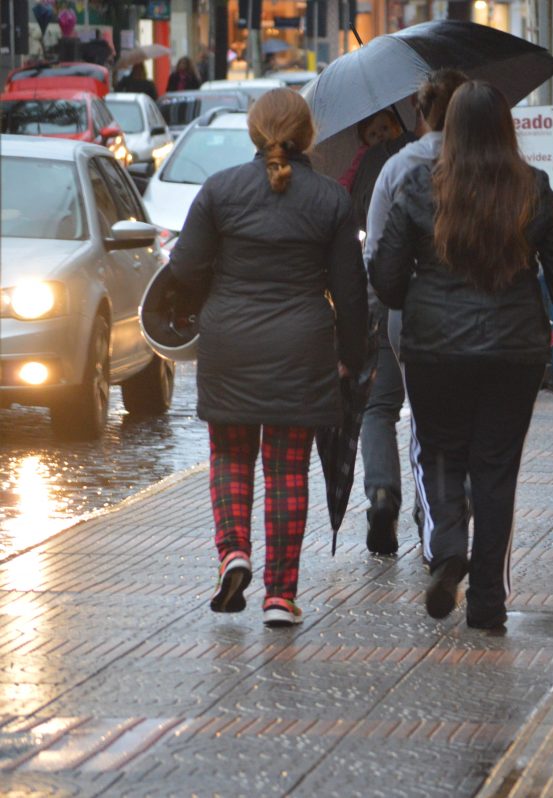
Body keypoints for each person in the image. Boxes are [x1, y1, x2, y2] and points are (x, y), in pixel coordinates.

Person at [369, 81, 553, 629]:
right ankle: (488, 604)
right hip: (513, 352)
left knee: (441, 454)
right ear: (508, 128)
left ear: (448, 128)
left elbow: (384, 278)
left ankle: (449, 548)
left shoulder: (417, 186)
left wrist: (422, 299)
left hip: (433, 352)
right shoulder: (533, 189)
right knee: (497, 473)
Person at [168, 88, 368, 626]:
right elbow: (351, 293)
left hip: (230, 344)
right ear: (308, 136)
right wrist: (352, 357)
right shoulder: (330, 199)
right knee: (287, 471)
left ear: (254, 134)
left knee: (230, 457)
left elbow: (184, 269)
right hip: (301, 348)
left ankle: (233, 553)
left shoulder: (219, 190)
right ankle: (280, 596)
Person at [360, 68, 468, 556]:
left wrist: (375, 308)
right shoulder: (484, 162)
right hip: (468, 308)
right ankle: (434, 514)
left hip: (400, 305)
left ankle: (383, 491)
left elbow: (376, 250)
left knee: (379, 406)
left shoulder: (398, 166)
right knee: (434, 415)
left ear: (421, 114)